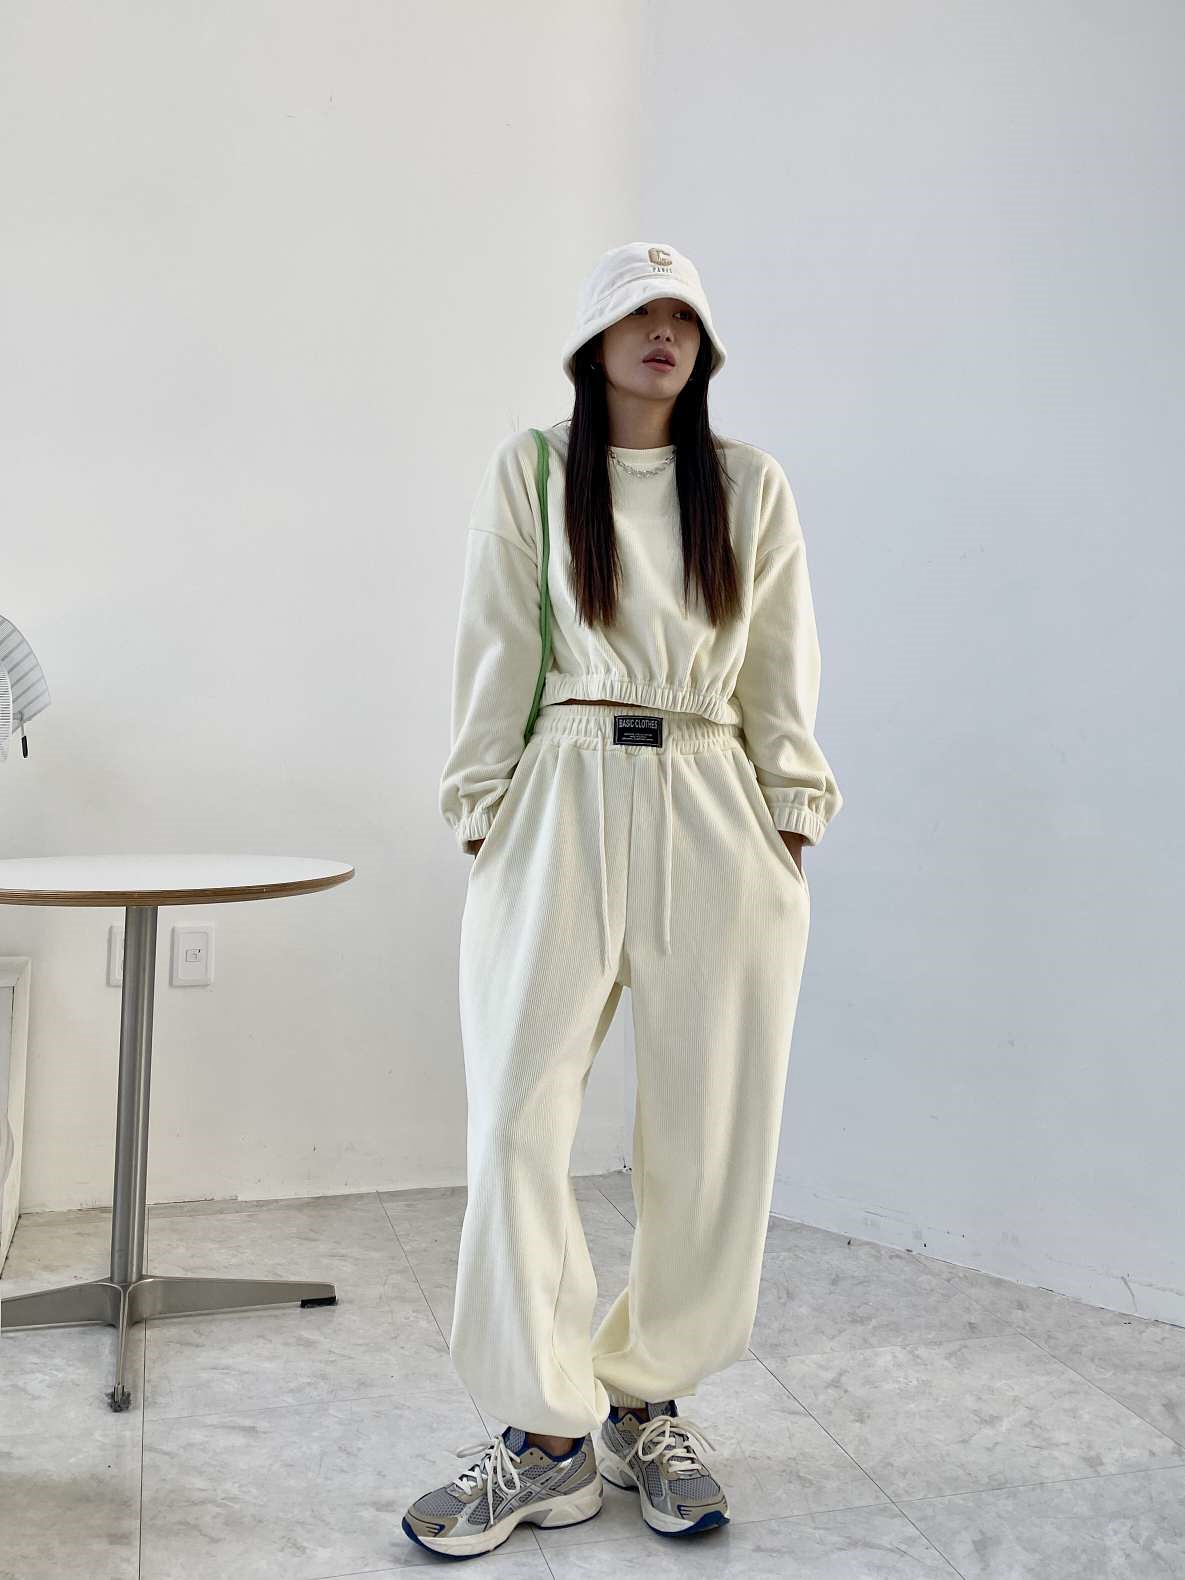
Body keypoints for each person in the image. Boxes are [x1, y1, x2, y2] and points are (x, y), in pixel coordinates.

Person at [404, 241, 843, 1559]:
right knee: (515, 1124)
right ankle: (545, 1438)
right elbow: (496, 641)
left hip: (713, 793)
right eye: (636, 315)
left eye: (681, 317)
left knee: (710, 1131)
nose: (662, 334)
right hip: (563, 787)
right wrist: (483, 808)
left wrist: (788, 816)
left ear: (702, 348)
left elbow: (780, 662)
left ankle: (645, 1400)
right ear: (593, 343)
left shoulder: (746, 484)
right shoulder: (536, 471)